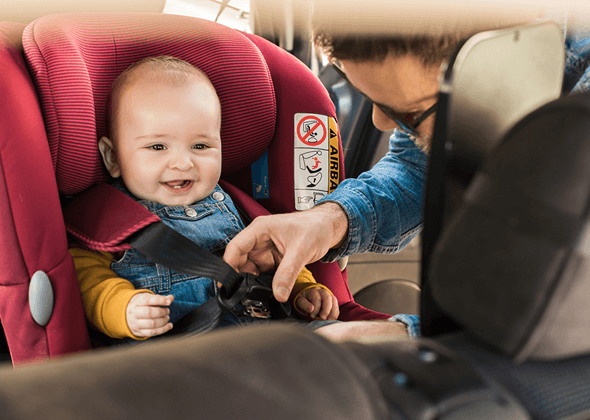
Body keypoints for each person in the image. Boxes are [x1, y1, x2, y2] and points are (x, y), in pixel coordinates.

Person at [223, 9, 590, 341]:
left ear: (509, 56)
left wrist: (406, 335)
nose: (379, 123)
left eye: (409, 114)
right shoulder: (448, 78)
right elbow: (415, 167)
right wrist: (327, 220)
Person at [69, 56, 339, 341]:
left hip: (268, 334)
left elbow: (276, 257)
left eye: (200, 145)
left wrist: (303, 290)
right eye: (157, 146)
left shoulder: (234, 205)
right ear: (113, 157)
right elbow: (85, 278)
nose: (183, 163)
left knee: (341, 339)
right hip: (184, 351)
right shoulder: (110, 220)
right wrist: (123, 308)